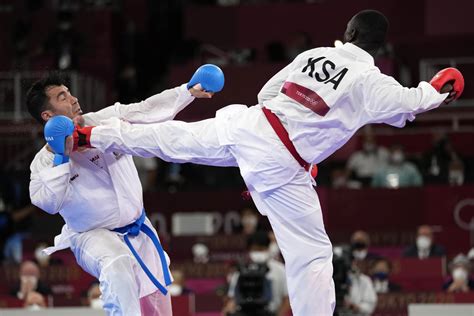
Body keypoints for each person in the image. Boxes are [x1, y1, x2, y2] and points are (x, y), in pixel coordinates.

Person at [51, 10, 462, 315]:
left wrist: (269, 152)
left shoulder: (315, 55)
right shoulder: (371, 80)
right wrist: (441, 88)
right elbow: (410, 103)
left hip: (251, 124)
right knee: (312, 255)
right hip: (279, 163)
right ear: (380, 47)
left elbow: (269, 91)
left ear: (348, 34)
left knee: (171, 139)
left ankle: (92, 134)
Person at [27, 69, 216, 315]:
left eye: (70, 93)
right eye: (63, 97)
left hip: (139, 230)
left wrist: (186, 92)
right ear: (47, 115)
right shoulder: (42, 162)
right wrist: (61, 157)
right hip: (92, 236)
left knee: (158, 308)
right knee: (118, 263)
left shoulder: (104, 122)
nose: (74, 99)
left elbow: (145, 110)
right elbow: (49, 203)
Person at [224, 231, 290, 316]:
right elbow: (233, 299)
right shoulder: (241, 270)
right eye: (255, 249)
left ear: (267, 248)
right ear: (249, 250)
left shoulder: (280, 269)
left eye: (261, 249)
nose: (258, 252)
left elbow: (287, 299)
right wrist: (228, 310)